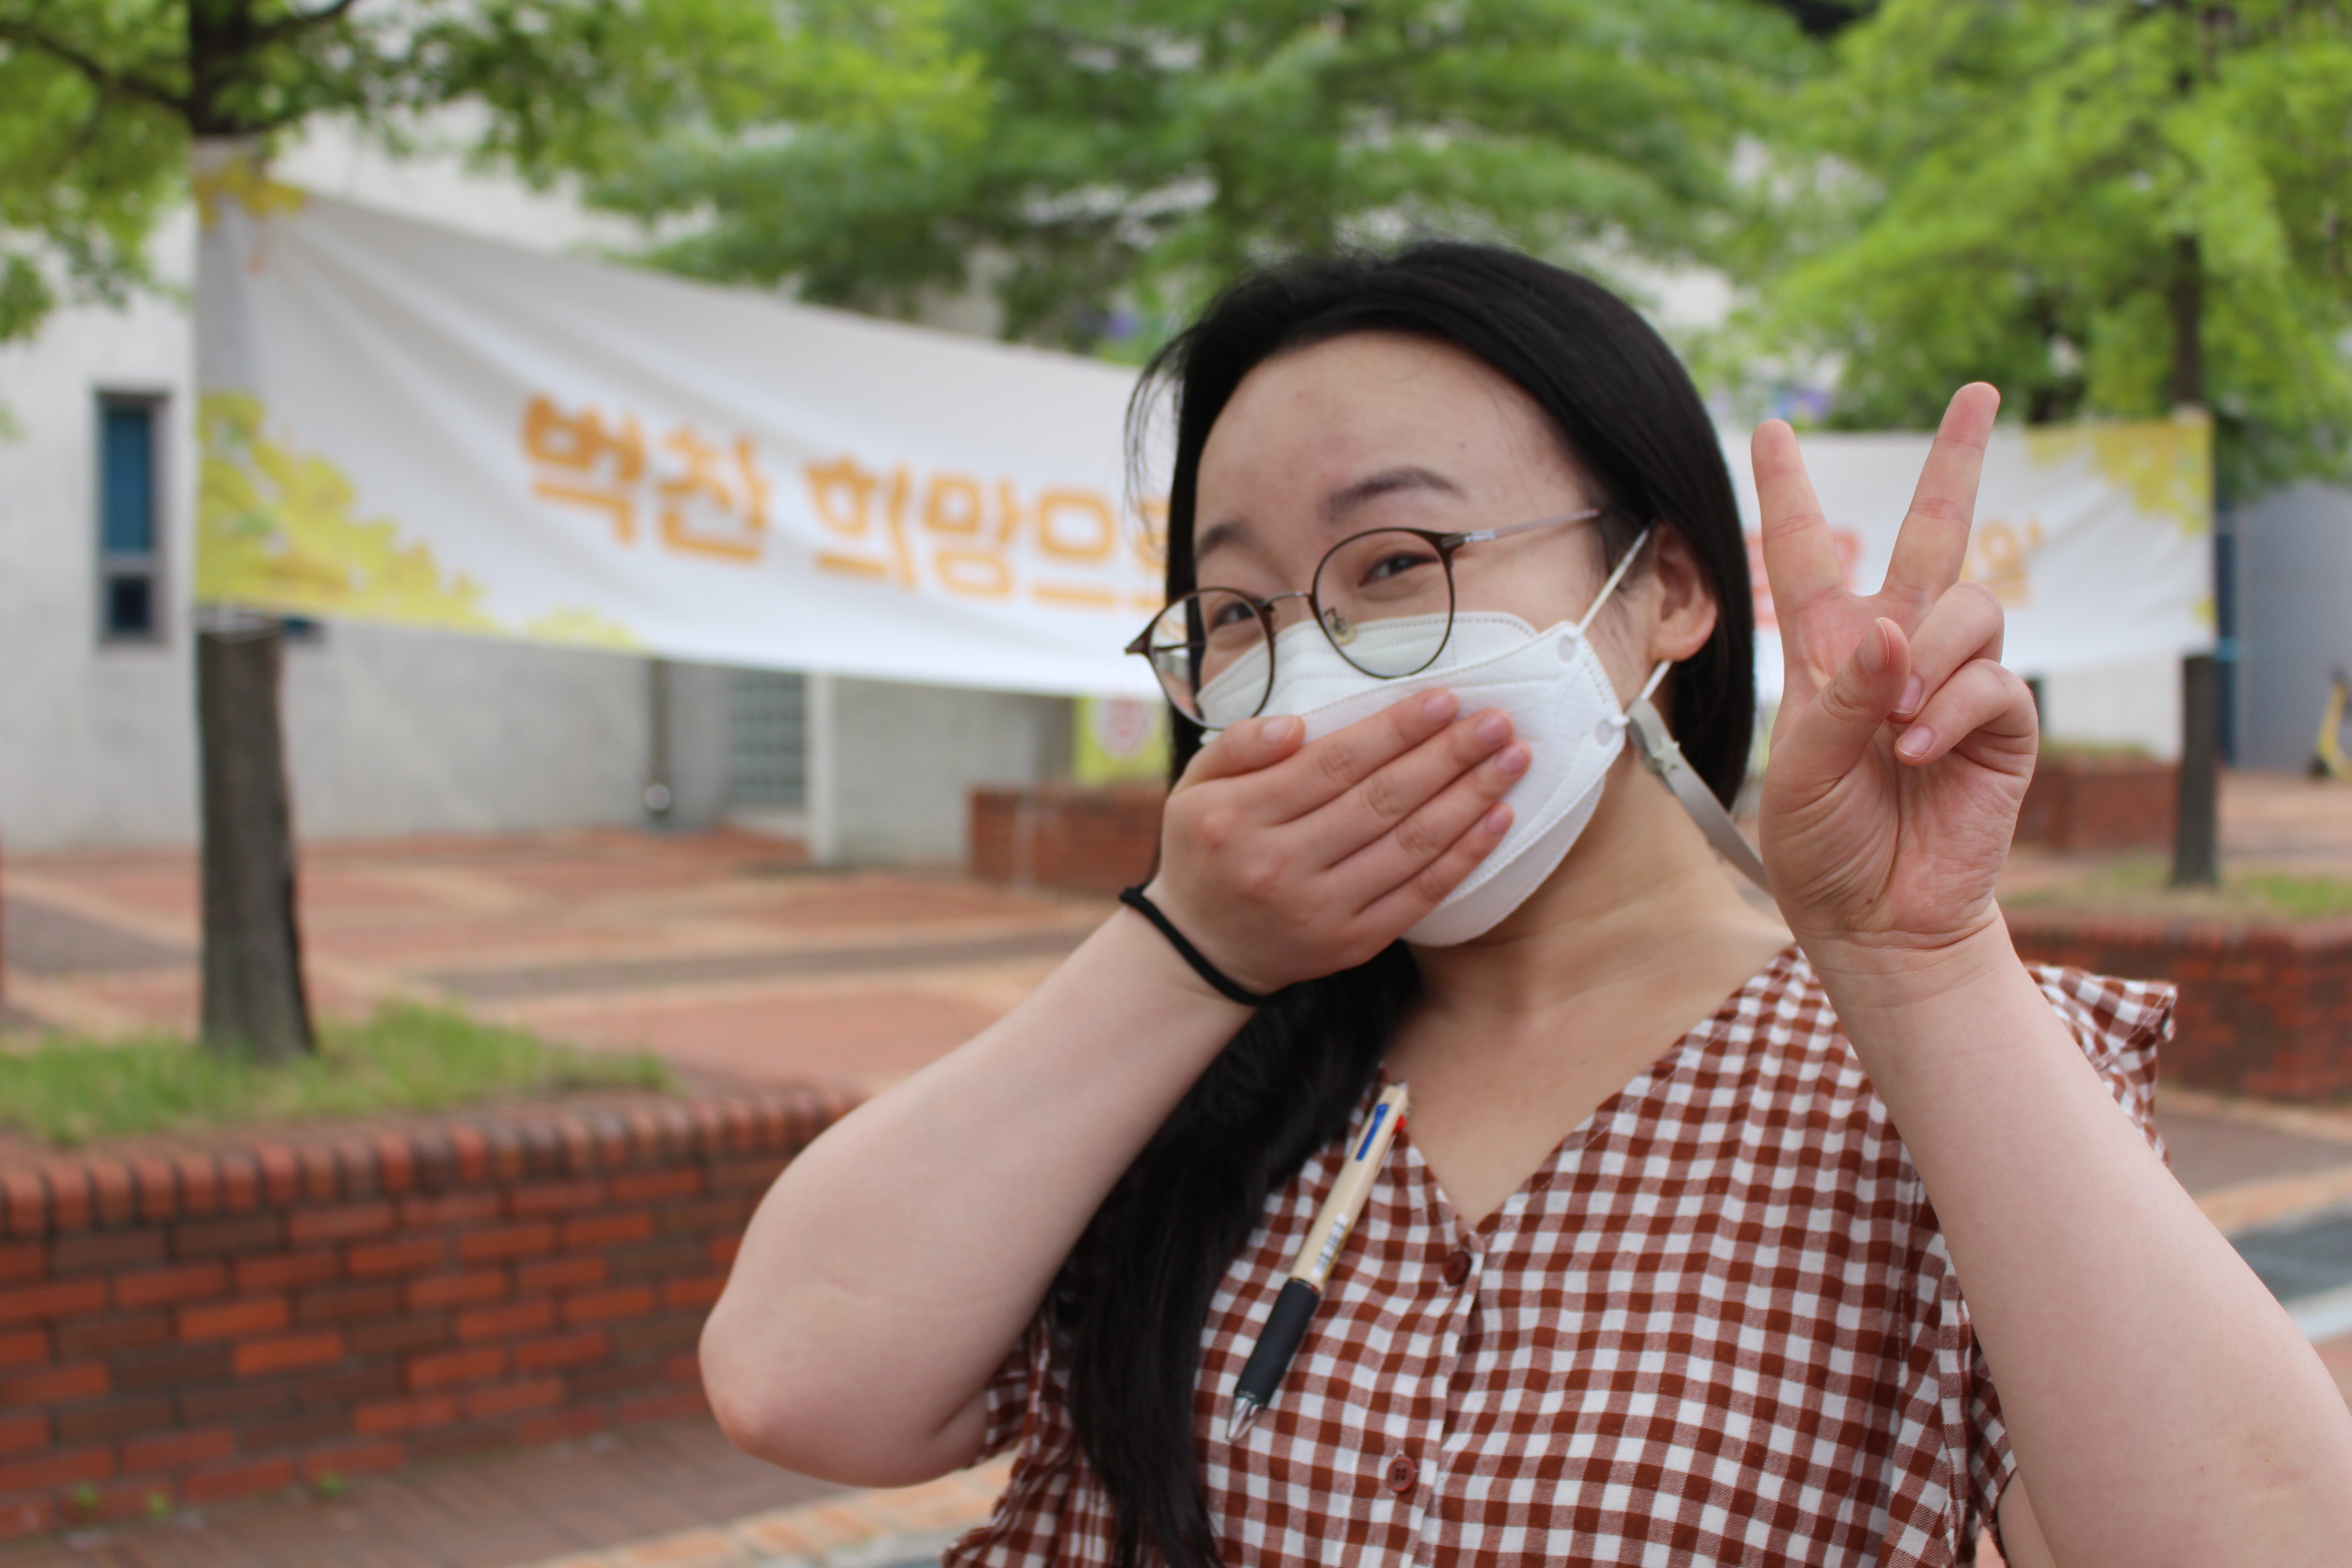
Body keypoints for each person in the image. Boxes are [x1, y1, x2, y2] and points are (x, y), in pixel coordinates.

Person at [701, 245, 2352, 1568]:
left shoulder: (1938, 1073)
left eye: (1395, 562)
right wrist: (1192, 952)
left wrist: (1922, 964)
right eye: (1236, 610)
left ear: (1669, 590)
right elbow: (795, 1385)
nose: (1310, 659)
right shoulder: (1187, 1061)